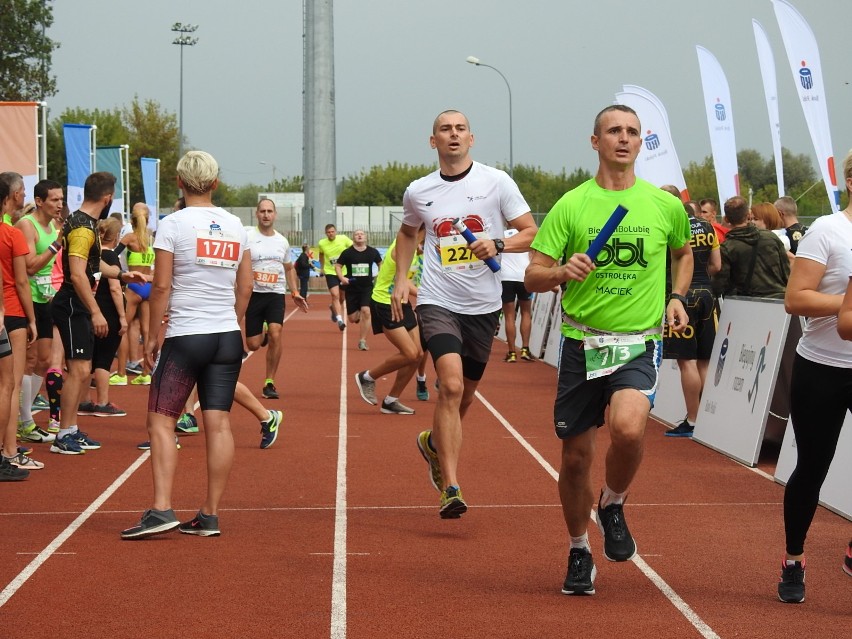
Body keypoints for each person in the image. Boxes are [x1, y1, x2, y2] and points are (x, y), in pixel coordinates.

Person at [524, 104, 693, 596]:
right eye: (613, 131)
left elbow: (683, 253)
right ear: (594, 141)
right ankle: (579, 550)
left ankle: (613, 502)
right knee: (575, 460)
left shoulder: (664, 206)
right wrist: (560, 272)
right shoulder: (571, 206)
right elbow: (533, 274)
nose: (623, 139)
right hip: (580, 344)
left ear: (641, 144)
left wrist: (676, 297)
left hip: (638, 343)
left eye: (632, 132)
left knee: (627, 427)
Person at [390, 109, 537, 519]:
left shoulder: (496, 182)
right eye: (444, 130)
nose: (452, 135)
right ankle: (450, 486)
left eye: (459, 129)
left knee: (465, 396)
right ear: (432, 141)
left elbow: (529, 231)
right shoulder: (419, 191)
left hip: (483, 307)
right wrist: (402, 277)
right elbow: (407, 232)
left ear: (471, 138)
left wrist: (498, 244)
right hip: (438, 301)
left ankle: (434, 444)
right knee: (450, 387)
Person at [121, 150, 252, 539]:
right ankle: (209, 514)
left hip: (186, 334)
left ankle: (161, 508)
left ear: (179, 182)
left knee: (161, 421)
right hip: (225, 335)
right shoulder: (234, 225)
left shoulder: (173, 223)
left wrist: (154, 335)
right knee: (219, 423)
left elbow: (160, 286)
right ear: (215, 183)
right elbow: (245, 286)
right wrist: (232, 321)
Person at [777, 149, 852, 603]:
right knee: (812, 469)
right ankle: (793, 559)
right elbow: (796, 298)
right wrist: (848, 307)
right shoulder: (829, 230)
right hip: (823, 367)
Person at [50, 172, 146, 455]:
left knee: (82, 370)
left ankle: (70, 429)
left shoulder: (86, 223)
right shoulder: (82, 228)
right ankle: (63, 434)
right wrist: (96, 312)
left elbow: (93, 266)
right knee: (78, 370)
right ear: (107, 199)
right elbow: (78, 276)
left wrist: (123, 275)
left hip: (77, 302)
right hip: (72, 303)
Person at [663, 201, 721, 437]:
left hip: (681, 297)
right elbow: (717, 265)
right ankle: (707, 418)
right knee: (705, 360)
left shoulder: (670, 227)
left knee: (686, 361)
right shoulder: (708, 227)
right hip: (707, 295)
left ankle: (694, 419)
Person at [354, 230, 425, 415]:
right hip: (385, 302)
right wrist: (426, 294)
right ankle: (367, 376)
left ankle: (391, 400)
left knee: (418, 355)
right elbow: (399, 279)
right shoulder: (403, 246)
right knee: (409, 353)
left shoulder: (417, 247)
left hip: (402, 302)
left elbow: (406, 280)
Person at [15, 179, 64, 443]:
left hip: (47, 298)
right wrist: (56, 245)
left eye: (61, 199)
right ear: (40, 201)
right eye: (55, 199)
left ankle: (25, 417)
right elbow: (30, 266)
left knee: (45, 360)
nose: (60, 204)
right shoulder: (27, 225)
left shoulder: (54, 226)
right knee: (30, 360)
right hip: (28, 298)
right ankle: (25, 421)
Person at [244, 198, 308, 399]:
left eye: (269, 211)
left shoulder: (282, 241)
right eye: (262, 211)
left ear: (275, 215)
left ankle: (269, 381)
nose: (266, 214)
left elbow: (289, 268)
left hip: (275, 293)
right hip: (253, 294)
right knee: (253, 345)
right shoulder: (247, 236)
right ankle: (261, 332)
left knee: (276, 331)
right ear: (256, 214)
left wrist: (295, 292)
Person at [0, 173, 41, 471]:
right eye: (23, 190)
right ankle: (10, 449)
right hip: (11, 310)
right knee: (9, 385)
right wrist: (32, 318)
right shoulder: (11, 233)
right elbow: (22, 281)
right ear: (13, 195)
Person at [86, 217, 128, 417]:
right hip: (108, 311)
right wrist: (122, 316)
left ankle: (84, 400)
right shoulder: (111, 257)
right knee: (104, 358)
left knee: (88, 357)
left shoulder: (92, 255)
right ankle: (102, 402)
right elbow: (114, 288)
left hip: (90, 308)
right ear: (116, 235)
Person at [711, 196, 789, 300]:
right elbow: (786, 272)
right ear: (748, 215)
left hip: (747, 303)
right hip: (779, 300)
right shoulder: (770, 237)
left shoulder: (727, 247)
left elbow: (719, 285)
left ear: (726, 219)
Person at [112, 202, 156, 386]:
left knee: (122, 328)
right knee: (146, 331)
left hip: (134, 286)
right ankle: (146, 373)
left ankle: (121, 373)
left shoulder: (130, 238)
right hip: (148, 286)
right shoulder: (151, 238)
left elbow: (112, 256)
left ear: (132, 219)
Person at [335, 229, 382, 351]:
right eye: (357, 234)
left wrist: (379, 276)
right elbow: (338, 266)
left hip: (367, 287)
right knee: (352, 318)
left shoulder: (373, 252)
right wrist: (342, 278)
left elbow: (381, 264)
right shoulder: (347, 253)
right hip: (352, 288)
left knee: (366, 311)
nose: (359, 235)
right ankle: (360, 315)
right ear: (353, 238)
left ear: (365, 237)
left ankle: (362, 341)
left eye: (362, 234)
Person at [499, 227, 533, 362]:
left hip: (506, 277)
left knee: (509, 316)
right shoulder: (527, 234)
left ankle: (512, 352)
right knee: (526, 313)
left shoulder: (500, 234)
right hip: (523, 276)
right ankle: (525, 349)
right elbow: (533, 255)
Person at [317, 223, 352, 330]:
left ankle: (333, 308)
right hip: (330, 272)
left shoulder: (344, 239)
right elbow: (321, 255)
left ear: (335, 232)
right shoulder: (322, 243)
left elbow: (353, 248)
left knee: (341, 298)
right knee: (335, 295)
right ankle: (340, 320)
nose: (331, 234)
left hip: (343, 272)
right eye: (328, 232)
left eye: (332, 232)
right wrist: (322, 267)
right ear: (326, 233)